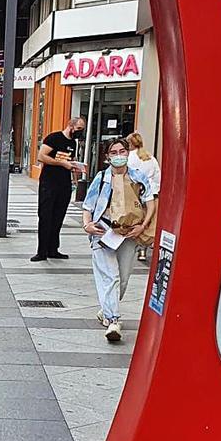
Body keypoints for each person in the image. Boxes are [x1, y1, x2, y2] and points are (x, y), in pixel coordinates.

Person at [81, 138, 156, 342]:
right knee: (111, 277)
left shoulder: (138, 176)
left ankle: (105, 310)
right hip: (103, 231)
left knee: (122, 279)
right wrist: (87, 225)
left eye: (122, 151)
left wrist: (143, 225)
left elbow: (150, 202)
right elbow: (88, 205)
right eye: (114, 152)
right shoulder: (102, 178)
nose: (118, 156)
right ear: (107, 157)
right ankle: (114, 320)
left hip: (129, 233)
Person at [33, 117, 87, 262]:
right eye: (79, 128)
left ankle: (53, 249)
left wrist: (75, 170)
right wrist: (61, 164)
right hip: (49, 183)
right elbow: (41, 156)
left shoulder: (72, 143)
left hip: (64, 184)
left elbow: (69, 162)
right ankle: (41, 251)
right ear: (70, 125)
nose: (80, 132)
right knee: (45, 217)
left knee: (58, 217)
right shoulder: (54, 138)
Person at [127, 132, 162, 262]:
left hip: (136, 194)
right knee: (149, 223)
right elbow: (158, 177)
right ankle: (143, 249)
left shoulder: (130, 158)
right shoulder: (150, 158)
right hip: (152, 194)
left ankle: (134, 246)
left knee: (136, 220)